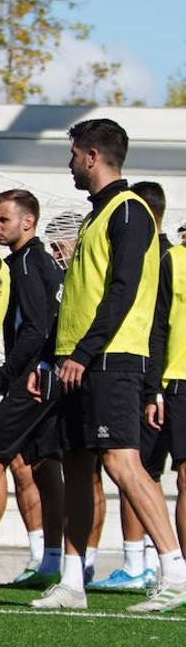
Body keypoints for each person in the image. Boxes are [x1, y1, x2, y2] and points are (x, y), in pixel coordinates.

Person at [28, 118, 186, 612]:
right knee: (77, 466)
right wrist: (47, 358)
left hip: (112, 362)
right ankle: (72, 583)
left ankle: (174, 571)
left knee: (122, 462)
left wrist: (83, 353)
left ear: (92, 156)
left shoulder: (129, 211)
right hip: (78, 364)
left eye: (73, 154)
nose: (69, 163)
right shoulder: (93, 217)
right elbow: (78, 298)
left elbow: (121, 292)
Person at [89, 180, 173, 590]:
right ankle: (135, 565)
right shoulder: (149, 244)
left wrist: (152, 386)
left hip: (133, 366)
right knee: (131, 467)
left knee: (126, 464)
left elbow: (155, 320)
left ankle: (168, 568)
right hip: (143, 371)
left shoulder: (156, 249)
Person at [0, 189, 65, 589]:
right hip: (45, 378)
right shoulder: (33, 261)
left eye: (3, 220)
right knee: (42, 469)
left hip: (30, 380)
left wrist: (5, 374)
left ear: (28, 222)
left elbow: (36, 327)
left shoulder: (30, 264)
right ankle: (50, 562)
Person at [145, 227, 186, 568]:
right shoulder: (174, 260)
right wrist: (154, 386)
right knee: (185, 477)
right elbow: (157, 327)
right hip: (179, 382)